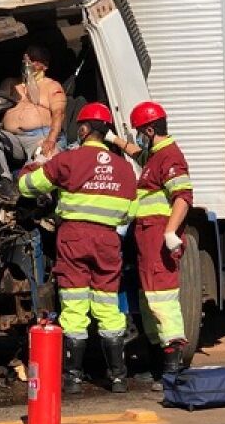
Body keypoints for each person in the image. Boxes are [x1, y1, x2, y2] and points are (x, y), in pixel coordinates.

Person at [18, 102, 137, 394]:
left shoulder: (69, 160)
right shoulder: (124, 169)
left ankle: (72, 378)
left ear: (83, 129)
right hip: (108, 240)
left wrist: (31, 165)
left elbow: (27, 186)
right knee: (108, 306)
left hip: (73, 238)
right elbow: (128, 212)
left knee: (74, 305)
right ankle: (118, 377)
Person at [109, 101, 194, 389]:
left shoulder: (170, 157)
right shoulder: (155, 156)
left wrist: (171, 232)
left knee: (163, 304)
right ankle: (158, 366)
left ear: (149, 129)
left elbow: (183, 196)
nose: (139, 138)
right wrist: (115, 140)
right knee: (149, 303)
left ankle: (172, 371)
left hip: (159, 243)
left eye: (140, 133)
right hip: (148, 246)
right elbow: (137, 153)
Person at [0, 45, 67, 192]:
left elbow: (59, 114)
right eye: (25, 58)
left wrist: (51, 139)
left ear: (44, 65)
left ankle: (39, 196)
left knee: (45, 158)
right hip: (13, 138)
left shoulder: (52, 86)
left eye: (33, 59)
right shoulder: (11, 84)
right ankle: (4, 182)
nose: (27, 62)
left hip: (39, 137)